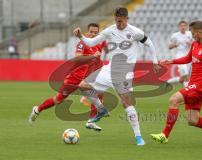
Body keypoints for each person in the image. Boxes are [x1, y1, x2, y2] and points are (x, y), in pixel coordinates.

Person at [73, 7, 160, 146]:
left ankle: (138, 136)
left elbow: (149, 43)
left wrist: (155, 61)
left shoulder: (135, 32)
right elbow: (91, 42)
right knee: (83, 86)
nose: (118, 24)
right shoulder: (110, 30)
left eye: (121, 21)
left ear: (126, 19)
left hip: (124, 72)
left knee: (126, 104)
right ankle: (101, 110)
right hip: (109, 69)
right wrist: (80, 37)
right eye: (116, 21)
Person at [150, 21, 202, 146]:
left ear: (200, 32)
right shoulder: (195, 44)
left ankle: (164, 135)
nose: (192, 36)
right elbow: (188, 58)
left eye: (193, 34)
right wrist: (171, 61)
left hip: (201, 86)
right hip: (193, 84)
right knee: (192, 120)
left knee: (173, 100)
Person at [29, 23, 108, 131]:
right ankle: (37, 109)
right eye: (91, 32)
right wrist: (93, 56)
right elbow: (77, 58)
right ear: (87, 32)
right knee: (58, 99)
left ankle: (91, 121)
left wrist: (104, 57)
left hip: (87, 78)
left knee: (99, 93)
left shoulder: (101, 42)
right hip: (75, 77)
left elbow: (106, 48)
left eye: (95, 32)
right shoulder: (82, 43)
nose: (93, 34)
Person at [167, 21, 192, 87]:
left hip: (188, 57)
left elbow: (195, 44)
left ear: (186, 27)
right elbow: (169, 46)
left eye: (184, 26)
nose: (183, 27)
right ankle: (187, 91)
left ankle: (168, 82)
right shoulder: (175, 35)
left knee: (183, 78)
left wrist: (190, 43)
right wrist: (176, 45)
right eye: (181, 26)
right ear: (179, 27)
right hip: (180, 57)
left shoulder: (190, 34)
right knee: (185, 74)